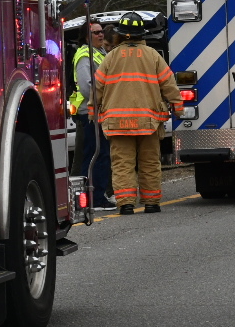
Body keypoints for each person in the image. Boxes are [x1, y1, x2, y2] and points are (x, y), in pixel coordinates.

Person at [92, 12, 180, 215]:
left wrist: (92, 111)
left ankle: (126, 203)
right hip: (147, 122)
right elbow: (168, 83)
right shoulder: (152, 55)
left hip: (117, 123)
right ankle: (151, 203)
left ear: (120, 34)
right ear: (142, 34)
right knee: (149, 162)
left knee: (122, 164)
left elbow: (98, 87)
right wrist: (178, 106)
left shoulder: (111, 57)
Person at [70, 21, 114, 210]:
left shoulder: (100, 53)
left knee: (100, 154)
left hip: (99, 111)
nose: (101, 35)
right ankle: (93, 199)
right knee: (95, 155)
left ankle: (96, 196)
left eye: (101, 31)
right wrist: (106, 99)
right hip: (89, 113)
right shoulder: (84, 55)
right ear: (86, 36)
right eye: (96, 32)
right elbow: (88, 87)